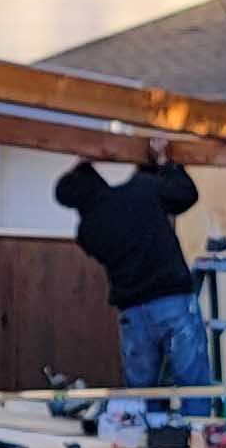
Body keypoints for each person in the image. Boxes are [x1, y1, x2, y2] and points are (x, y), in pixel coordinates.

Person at [54, 140, 213, 410]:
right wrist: (163, 161)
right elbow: (185, 194)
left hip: (134, 314)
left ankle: (152, 443)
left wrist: (83, 167)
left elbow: (113, 205)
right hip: (171, 301)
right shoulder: (141, 190)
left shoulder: (88, 233)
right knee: (192, 385)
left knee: (142, 394)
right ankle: (197, 438)